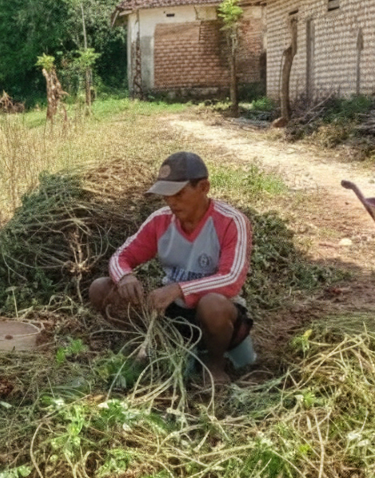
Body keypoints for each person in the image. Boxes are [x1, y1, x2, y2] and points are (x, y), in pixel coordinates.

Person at [89, 151, 255, 385]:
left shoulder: (231, 221)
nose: (171, 202)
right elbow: (120, 256)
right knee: (100, 288)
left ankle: (215, 365)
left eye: (178, 194)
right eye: (166, 195)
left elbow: (231, 278)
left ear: (204, 187)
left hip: (216, 316)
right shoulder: (160, 220)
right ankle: (144, 346)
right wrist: (125, 277)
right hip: (171, 312)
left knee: (212, 305)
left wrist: (178, 289)